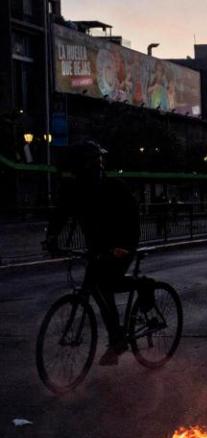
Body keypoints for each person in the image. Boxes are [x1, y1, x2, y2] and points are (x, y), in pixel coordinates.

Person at [45, 141, 140, 365]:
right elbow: (60, 214)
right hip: (97, 249)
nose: (98, 167)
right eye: (94, 163)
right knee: (97, 285)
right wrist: (51, 238)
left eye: (99, 162)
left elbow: (132, 218)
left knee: (103, 286)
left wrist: (123, 247)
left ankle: (117, 340)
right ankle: (117, 338)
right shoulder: (74, 190)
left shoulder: (114, 187)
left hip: (119, 247)